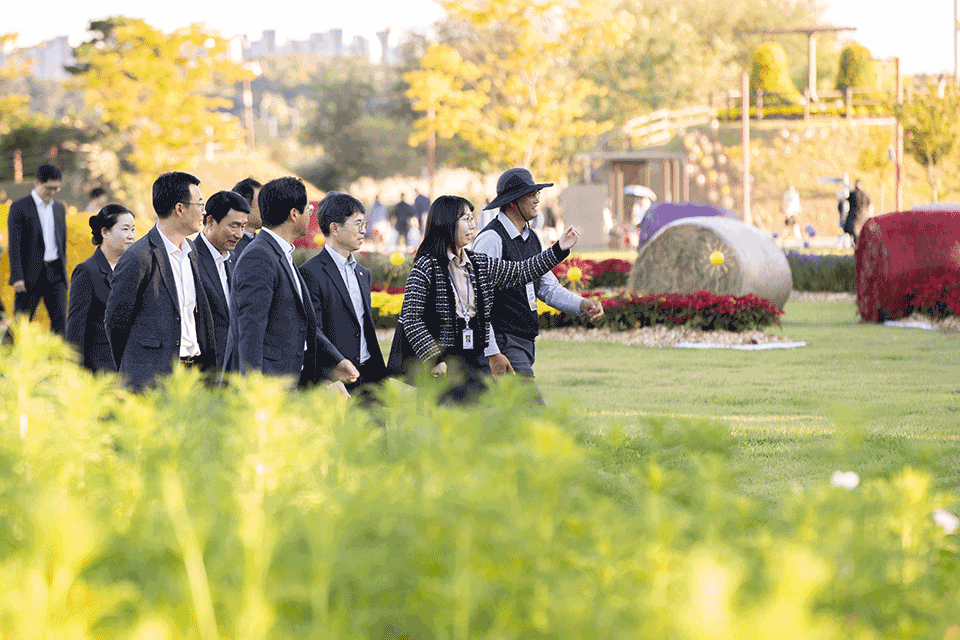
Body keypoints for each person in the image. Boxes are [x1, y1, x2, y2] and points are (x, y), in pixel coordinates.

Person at [389, 195, 580, 404]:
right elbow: (411, 318)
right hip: (444, 361)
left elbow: (521, 271)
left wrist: (558, 249)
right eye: (466, 220)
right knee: (443, 427)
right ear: (446, 223)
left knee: (483, 422)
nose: (472, 226)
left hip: (475, 357)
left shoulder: (477, 263)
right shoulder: (426, 266)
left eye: (473, 219)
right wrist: (434, 359)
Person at [472, 168, 604, 404]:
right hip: (504, 342)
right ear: (512, 202)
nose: (537, 198)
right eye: (530, 194)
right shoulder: (491, 239)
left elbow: (547, 287)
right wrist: (492, 352)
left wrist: (582, 304)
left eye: (537, 193)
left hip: (523, 342)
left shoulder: (531, 237)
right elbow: (477, 299)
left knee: (503, 421)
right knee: (534, 415)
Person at [104, 172, 217, 390]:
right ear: (180, 209)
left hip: (192, 375)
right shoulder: (139, 256)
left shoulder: (191, 251)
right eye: (200, 204)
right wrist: (134, 368)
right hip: (153, 379)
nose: (204, 211)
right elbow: (116, 321)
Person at [223, 176, 336, 386]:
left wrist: (336, 361)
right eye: (307, 210)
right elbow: (250, 330)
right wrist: (254, 390)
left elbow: (303, 322)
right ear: (294, 214)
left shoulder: (280, 252)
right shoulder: (259, 256)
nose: (309, 215)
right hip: (269, 386)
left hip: (290, 379)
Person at [299, 192, 386, 397]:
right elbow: (313, 331)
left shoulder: (362, 273)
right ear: (335, 228)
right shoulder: (311, 272)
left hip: (367, 377)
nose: (363, 230)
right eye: (357, 224)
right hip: (336, 378)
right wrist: (329, 374)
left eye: (364, 224)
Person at [65, 204, 136, 373]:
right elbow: (76, 327)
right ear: (105, 232)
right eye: (125, 229)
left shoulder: (133, 268)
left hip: (131, 364)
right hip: (100, 365)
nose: (131, 236)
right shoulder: (87, 271)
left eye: (133, 230)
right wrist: (74, 370)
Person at [7, 163, 68, 335]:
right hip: (29, 275)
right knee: (20, 324)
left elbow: (61, 242)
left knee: (60, 324)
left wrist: (63, 275)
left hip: (55, 273)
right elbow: (15, 245)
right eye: (49, 188)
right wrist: (17, 277)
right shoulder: (20, 208)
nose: (53, 192)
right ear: (37, 183)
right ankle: (7, 357)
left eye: (56, 188)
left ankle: (57, 359)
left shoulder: (58, 208)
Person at [194, 190, 249, 373]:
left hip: (232, 369)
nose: (239, 234)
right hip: (202, 371)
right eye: (234, 226)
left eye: (243, 227)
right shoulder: (190, 258)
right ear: (210, 221)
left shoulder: (235, 259)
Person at [231, 177, 262, 261]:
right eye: (261, 204)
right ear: (245, 207)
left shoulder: (263, 242)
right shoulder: (230, 246)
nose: (267, 209)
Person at [844, 179, 871, 245]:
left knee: (855, 231)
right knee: (860, 231)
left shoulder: (853, 194)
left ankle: (857, 244)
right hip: (863, 215)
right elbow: (869, 203)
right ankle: (860, 244)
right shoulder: (865, 194)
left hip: (855, 216)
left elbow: (848, 200)